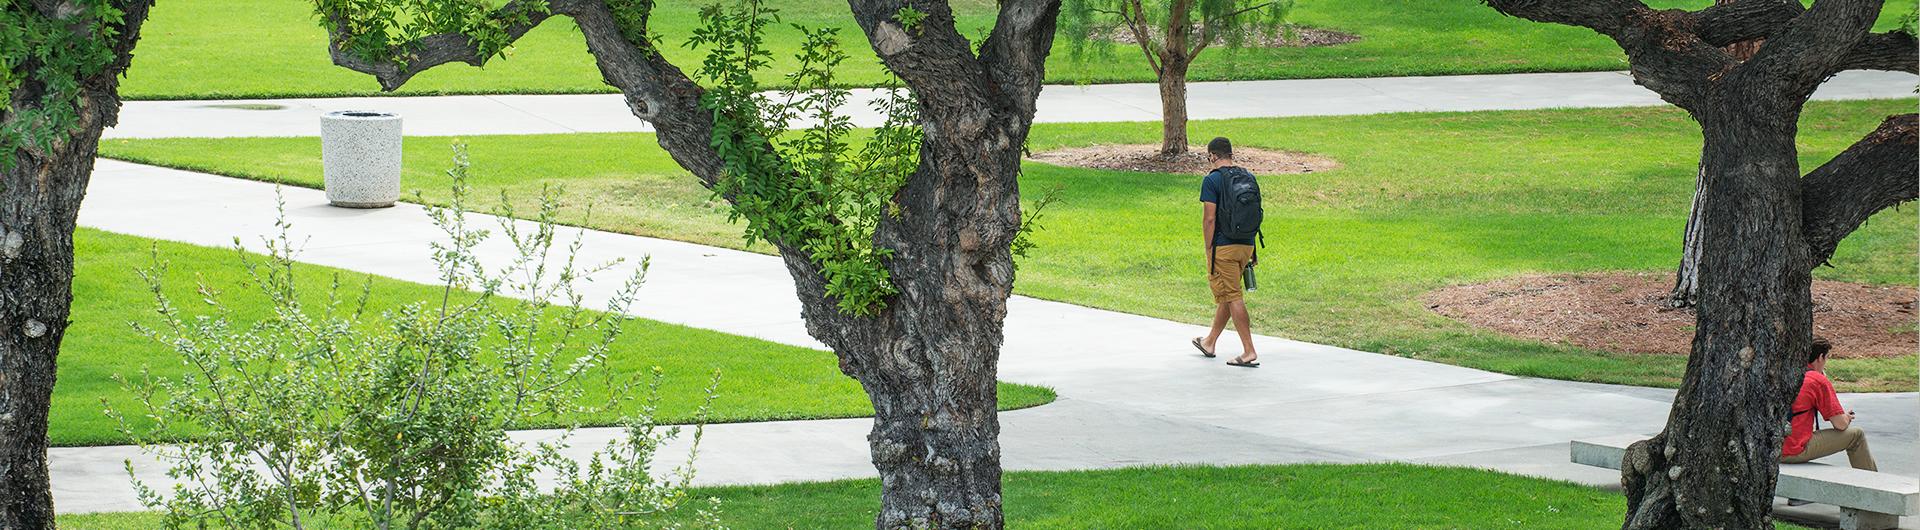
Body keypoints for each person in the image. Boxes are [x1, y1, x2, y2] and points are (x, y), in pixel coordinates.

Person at [1189, 137, 1262, 368]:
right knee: (1227, 295)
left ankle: (1249, 351)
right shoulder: (1248, 177)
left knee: (1232, 295)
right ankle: (1209, 342)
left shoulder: (1212, 180)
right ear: (1230, 154)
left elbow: (1209, 219)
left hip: (1224, 246)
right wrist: (1253, 249)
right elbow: (1254, 212)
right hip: (1247, 244)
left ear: (1212, 155)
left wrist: (1209, 248)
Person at [1780, 336, 1876, 472]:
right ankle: (1873, 484)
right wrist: (1846, 417)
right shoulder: (1817, 380)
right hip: (1792, 450)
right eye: (1827, 358)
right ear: (1820, 357)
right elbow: (1840, 424)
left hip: (1770, 448)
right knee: (1856, 435)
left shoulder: (1784, 373)